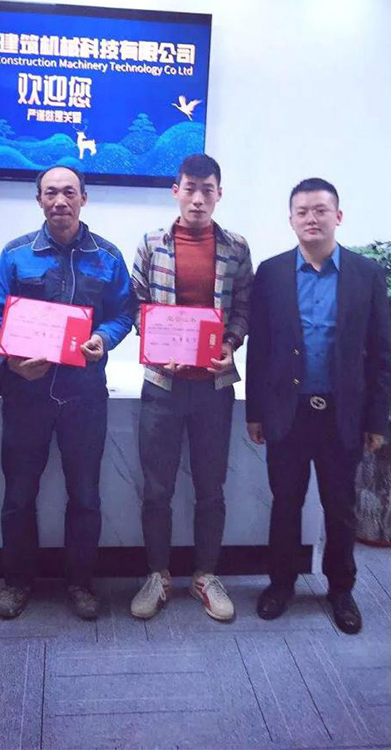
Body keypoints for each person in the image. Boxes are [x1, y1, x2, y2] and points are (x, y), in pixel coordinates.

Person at [246, 177, 391, 634]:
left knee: (340, 506)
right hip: (287, 412)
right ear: (290, 220)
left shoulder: (367, 275)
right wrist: (255, 412)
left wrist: (377, 419)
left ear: (338, 216)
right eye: (302, 211)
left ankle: (341, 590)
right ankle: (281, 584)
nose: (311, 218)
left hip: (341, 414)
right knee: (285, 503)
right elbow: (259, 348)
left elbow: (382, 352)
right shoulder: (271, 273)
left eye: (320, 210)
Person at [0, 165, 133, 621]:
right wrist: (8, 359)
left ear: (83, 198)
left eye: (69, 192)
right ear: (39, 200)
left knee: (85, 496)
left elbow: (124, 313)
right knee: (18, 495)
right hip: (25, 393)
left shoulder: (108, 257)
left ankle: (81, 583)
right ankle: (16, 582)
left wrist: (103, 338)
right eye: (50, 193)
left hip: (84, 394)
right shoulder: (15, 255)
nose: (60, 201)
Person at [130, 154, 253, 622]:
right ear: (175, 191)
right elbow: (136, 302)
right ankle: (157, 575)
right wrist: (156, 344)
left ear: (219, 194)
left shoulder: (236, 247)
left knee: (211, 487)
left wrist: (231, 343)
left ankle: (206, 575)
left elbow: (244, 307)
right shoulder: (151, 244)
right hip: (162, 385)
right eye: (190, 188)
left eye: (207, 190)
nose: (198, 199)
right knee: (156, 488)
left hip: (213, 388)